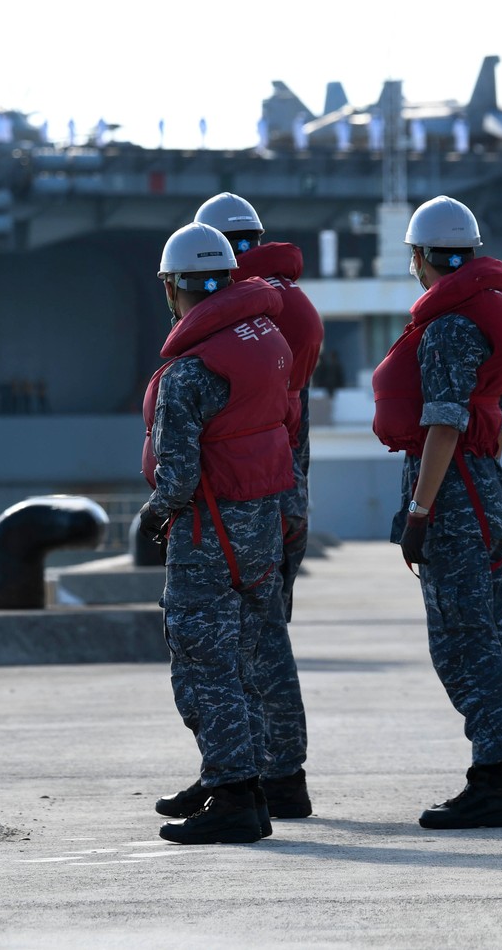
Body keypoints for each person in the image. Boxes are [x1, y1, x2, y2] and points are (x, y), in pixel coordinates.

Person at [152, 192, 321, 822]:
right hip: (268, 512)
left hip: (210, 524)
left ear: (174, 289)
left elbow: (177, 474)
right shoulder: (272, 337)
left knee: (202, 653)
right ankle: (265, 778)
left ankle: (235, 787)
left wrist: (154, 514)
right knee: (265, 644)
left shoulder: (189, 371)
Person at [373, 196, 502, 828]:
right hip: (483, 486)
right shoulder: (485, 314)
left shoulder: (446, 328)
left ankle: (491, 782)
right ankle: (494, 771)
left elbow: (442, 425)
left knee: (465, 641)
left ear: (420, 257)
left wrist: (418, 511)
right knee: (488, 637)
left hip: (454, 493)